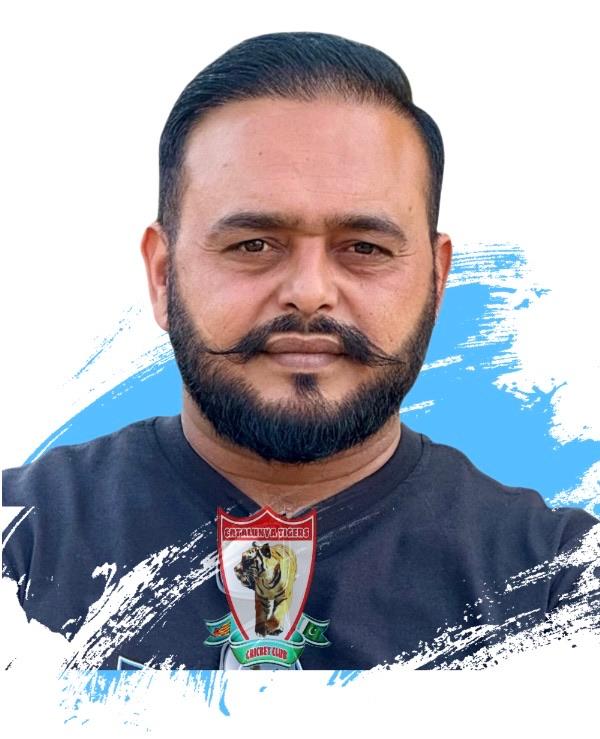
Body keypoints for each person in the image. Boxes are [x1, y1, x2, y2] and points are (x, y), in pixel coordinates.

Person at [3, 32, 598, 671]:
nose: (310, 292)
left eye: (365, 248)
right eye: (254, 244)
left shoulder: (562, 586)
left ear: (436, 279)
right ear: (163, 275)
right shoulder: (18, 546)